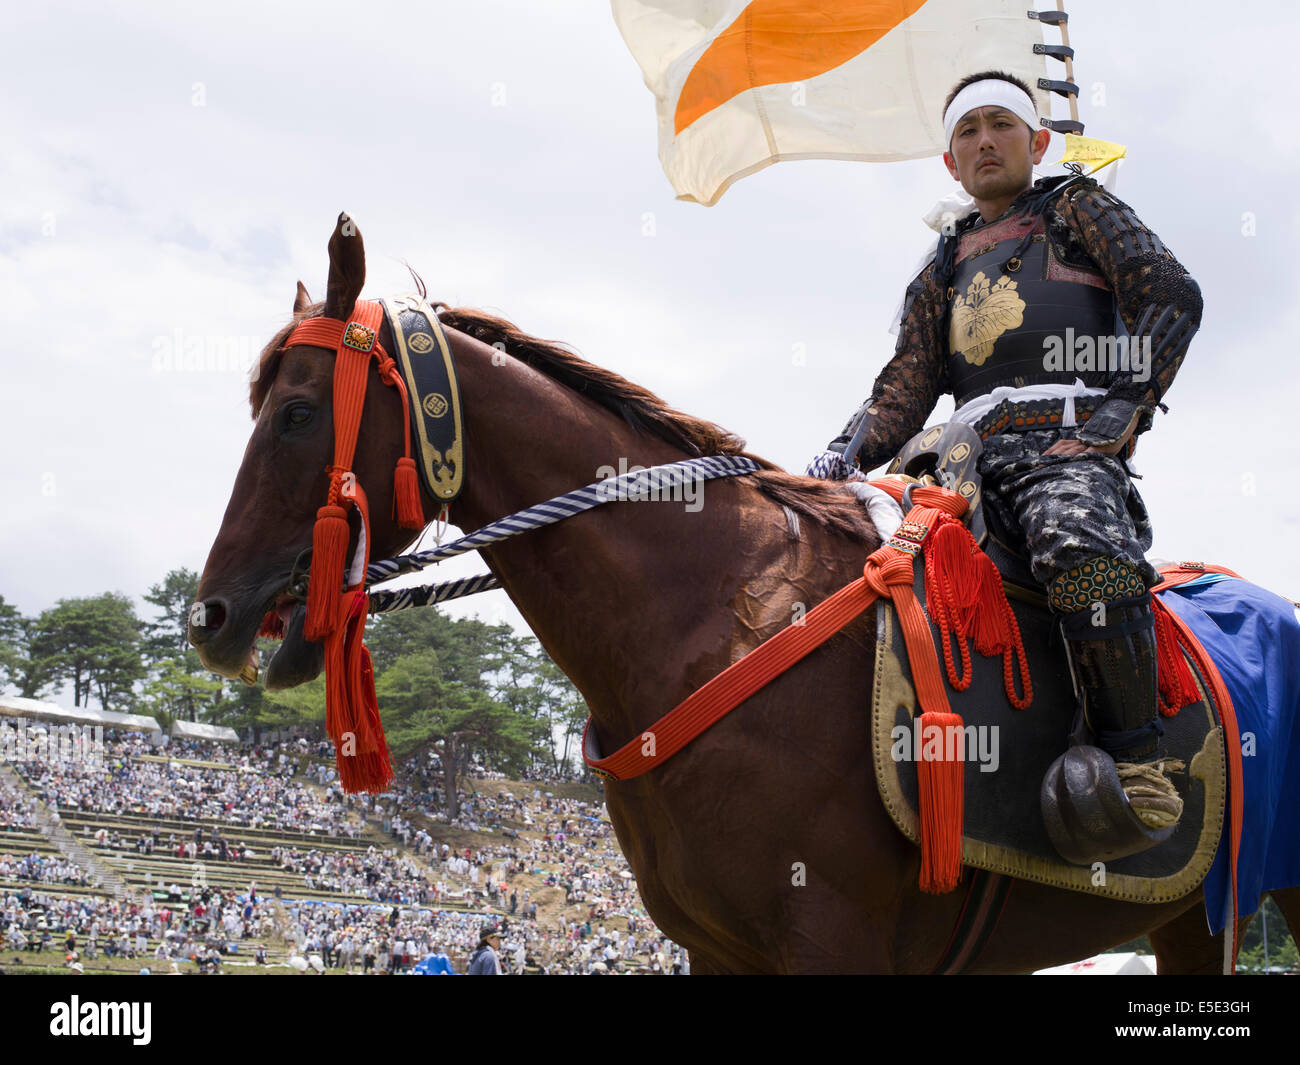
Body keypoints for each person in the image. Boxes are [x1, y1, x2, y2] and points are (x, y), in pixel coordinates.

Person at [820, 70, 1202, 863]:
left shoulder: (1078, 207)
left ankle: (1136, 763)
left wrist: (1123, 405)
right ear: (951, 162)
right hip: (956, 457)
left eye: (1001, 125)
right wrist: (843, 452)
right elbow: (907, 383)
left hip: (1062, 448)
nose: (985, 140)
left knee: (1080, 547)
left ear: (1035, 143)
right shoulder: (943, 260)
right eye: (968, 131)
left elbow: (1171, 294)